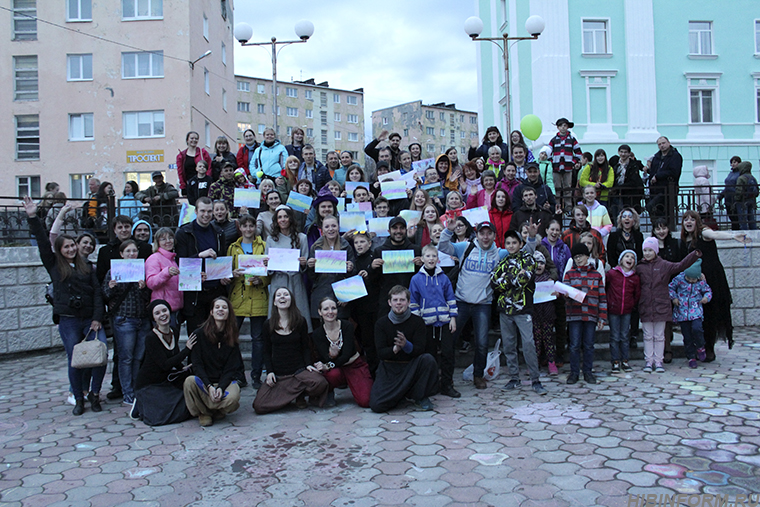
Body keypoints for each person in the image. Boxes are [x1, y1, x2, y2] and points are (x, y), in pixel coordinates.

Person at [24, 196, 106, 416]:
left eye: (72, 245)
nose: (70, 249)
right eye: (66, 246)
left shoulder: (87, 266)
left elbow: (97, 293)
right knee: (74, 360)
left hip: (90, 319)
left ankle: (95, 394)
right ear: (60, 249)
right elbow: (43, 241)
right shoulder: (54, 265)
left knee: (100, 356)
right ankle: (78, 397)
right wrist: (33, 217)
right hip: (69, 319)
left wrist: (98, 318)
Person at [439, 218, 537, 389]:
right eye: (482, 233)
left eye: (489, 233)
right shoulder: (466, 247)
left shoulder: (500, 254)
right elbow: (443, 247)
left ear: (494, 235)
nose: (485, 237)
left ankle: (478, 375)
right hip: (461, 301)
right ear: (476, 235)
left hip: (483, 304)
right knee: (450, 339)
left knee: (482, 342)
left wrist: (531, 238)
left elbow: (524, 253)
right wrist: (448, 231)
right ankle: (446, 377)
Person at [678, 210, 749, 361]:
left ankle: (709, 347)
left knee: (710, 313)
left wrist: (733, 236)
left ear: (698, 222)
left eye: (692, 219)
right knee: (697, 315)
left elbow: (715, 235)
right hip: (695, 282)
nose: (689, 222)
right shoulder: (685, 240)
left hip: (712, 279)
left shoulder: (704, 233)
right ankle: (700, 346)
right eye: (686, 219)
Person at [253, 287, 329, 413]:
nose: (282, 297)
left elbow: (305, 347)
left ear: (291, 300)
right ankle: (294, 396)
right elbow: (266, 351)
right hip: (279, 374)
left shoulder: (300, 321)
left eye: (286, 294)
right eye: (279, 295)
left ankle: (296, 395)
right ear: (274, 302)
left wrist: (308, 364)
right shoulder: (268, 324)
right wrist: (270, 372)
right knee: (259, 405)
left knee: (320, 383)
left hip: (298, 371)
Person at [491, 230, 547, 395]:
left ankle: (535, 379)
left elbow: (524, 279)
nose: (511, 246)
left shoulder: (528, 259)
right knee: (509, 345)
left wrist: (506, 279)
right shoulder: (504, 261)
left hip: (523, 310)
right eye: (508, 243)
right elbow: (494, 282)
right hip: (505, 310)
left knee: (529, 344)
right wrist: (512, 278)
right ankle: (514, 377)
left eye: (514, 243)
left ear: (521, 244)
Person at [637, 236, 701, 373]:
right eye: (645, 250)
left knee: (660, 335)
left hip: (661, 305)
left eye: (650, 250)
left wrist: (693, 256)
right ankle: (649, 361)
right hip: (646, 305)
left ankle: (658, 361)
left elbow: (680, 265)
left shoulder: (664, 265)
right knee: (648, 335)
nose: (647, 253)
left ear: (656, 251)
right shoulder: (640, 267)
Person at [370, 286, 438, 412]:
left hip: (411, 366)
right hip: (390, 369)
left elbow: (421, 349)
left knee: (428, 360)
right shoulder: (381, 324)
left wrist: (406, 345)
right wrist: (395, 349)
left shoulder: (417, 322)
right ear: (389, 302)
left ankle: (419, 396)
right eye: (395, 300)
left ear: (408, 302)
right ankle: (400, 395)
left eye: (402, 300)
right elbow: (380, 353)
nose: (399, 303)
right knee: (377, 405)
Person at [102, 240, 151, 406]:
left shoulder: (141, 271)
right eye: (128, 251)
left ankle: (136, 390)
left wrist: (144, 288)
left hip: (142, 319)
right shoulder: (113, 271)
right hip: (124, 320)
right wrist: (111, 286)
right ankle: (128, 393)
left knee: (138, 357)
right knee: (126, 358)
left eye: (134, 251)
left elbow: (147, 297)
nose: (132, 254)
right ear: (121, 254)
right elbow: (106, 296)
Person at [131, 300, 194, 425]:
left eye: (164, 310)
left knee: (184, 400)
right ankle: (139, 402)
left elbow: (174, 354)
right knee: (158, 418)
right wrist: (187, 350)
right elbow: (164, 364)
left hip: (165, 380)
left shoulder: (174, 331)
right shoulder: (151, 338)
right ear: (153, 318)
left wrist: (183, 368)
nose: (162, 315)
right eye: (157, 313)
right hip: (149, 383)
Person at [183, 297, 243, 426]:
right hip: (204, 383)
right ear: (211, 312)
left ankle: (213, 409)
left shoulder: (232, 336)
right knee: (189, 382)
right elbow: (197, 365)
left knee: (234, 396)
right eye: (217, 307)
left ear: (229, 312)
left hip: (223, 383)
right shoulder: (199, 334)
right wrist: (209, 386)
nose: (220, 310)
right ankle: (205, 412)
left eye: (224, 307)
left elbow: (231, 368)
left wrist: (221, 387)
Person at [409, 245, 459, 398]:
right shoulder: (416, 279)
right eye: (428, 256)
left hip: (444, 322)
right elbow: (413, 302)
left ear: (438, 259)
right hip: (426, 324)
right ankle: (431, 384)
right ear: (422, 259)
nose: (431, 259)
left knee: (448, 354)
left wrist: (453, 318)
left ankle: (447, 384)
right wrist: (418, 323)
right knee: (429, 355)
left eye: (434, 256)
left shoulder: (444, 278)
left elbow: (450, 298)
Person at [174, 197, 230, 334]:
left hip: (216, 291)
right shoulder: (184, 233)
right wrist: (199, 256)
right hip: (195, 294)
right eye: (203, 211)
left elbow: (221, 258)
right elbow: (180, 263)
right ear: (196, 211)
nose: (206, 215)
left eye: (209, 211)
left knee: (217, 335)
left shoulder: (219, 232)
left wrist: (225, 277)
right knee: (196, 336)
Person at [228, 214, 269, 389]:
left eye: (251, 226)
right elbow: (226, 270)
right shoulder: (233, 247)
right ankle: (239, 374)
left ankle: (256, 375)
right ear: (240, 228)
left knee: (258, 339)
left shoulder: (264, 246)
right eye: (244, 226)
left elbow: (270, 270)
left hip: (258, 295)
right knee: (232, 338)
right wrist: (233, 274)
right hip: (239, 296)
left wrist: (263, 280)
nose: (248, 229)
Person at [312, 297, 373, 407]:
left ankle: (356, 383)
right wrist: (330, 357)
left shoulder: (347, 326)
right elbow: (324, 357)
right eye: (326, 309)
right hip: (336, 369)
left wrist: (330, 362)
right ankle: (329, 391)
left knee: (366, 401)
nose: (330, 312)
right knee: (332, 374)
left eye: (333, 308)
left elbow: (347, 354)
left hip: (353, 365)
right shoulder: (317, 334)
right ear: (320, 312)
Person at [563, 243, 606, 385]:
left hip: (591, 314)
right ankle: (574, 372)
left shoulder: (596, 275)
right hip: (574, 314)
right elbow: (565, 293)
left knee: (589, 345)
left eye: (580, 256)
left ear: (587, 256)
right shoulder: (569, 274)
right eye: (575, 257)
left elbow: (602, 297)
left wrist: (602, 317)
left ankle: (588, 371)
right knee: (574, 345)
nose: (578, 259)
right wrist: (564, 293)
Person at [266, 205, 312, 332]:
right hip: (278, 281)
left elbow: (306, 263)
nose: (283, 220)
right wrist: (267, 263)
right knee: (278, 316)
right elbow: (268, 269)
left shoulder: (301, 238)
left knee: (298, 314)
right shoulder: (270, 239)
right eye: (279, 217)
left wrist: (304, 263)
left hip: (295, 281)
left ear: (291, 218)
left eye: (285, 216)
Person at [307, 215, 356, 325]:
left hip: (340, 296)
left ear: (338, 227)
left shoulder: (346, 245)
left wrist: (351, 269)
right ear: (322, 229)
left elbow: (353, 275)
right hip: (321, 293)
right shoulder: (316, 247)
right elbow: (311, 277)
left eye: (334, 226)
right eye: (327, 226)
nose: (331, 229)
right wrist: (310, 267)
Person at [373, 217, 423, 315]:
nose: (398, 231)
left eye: (401, 228)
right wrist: (372, 268)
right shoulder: (379, 251)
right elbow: (374, 280)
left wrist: (421, 266)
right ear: (389, 231)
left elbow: (421, 277)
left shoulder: (416, 250)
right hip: (386, 300)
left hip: (411, 298)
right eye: (395, 228)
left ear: (406, 230)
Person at [349, 231, 382, 373]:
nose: (359, 245)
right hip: (361, 308)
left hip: (376, 305)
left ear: (369, 243)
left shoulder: (375, 258)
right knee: (367, 342)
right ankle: (373, 372)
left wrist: (370, 272)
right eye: (356, 242)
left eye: (362, 242)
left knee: (379, 340)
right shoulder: (354, 262)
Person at [669, 260, 712, 369]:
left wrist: (706, 298)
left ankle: (700, 346)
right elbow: (670, 288)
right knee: (687, 336)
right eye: (689, 279)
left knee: (697, 329)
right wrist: (674, 298)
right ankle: (691, 357)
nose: (691, 281)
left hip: (695, 310)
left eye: (694, 279)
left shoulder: (700, 282)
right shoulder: (679, 279)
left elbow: (708, 291)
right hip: (682, 312)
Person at [606, 250, 641, 374]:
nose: (629, 259)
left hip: (627, 310)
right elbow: (606, 287)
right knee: (615, 336)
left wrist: (631, 304)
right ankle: (615, 361)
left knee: (625, 336)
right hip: (614, 310)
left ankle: (625, 360)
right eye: (627, 256)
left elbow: (636, 294)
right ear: (621, 260)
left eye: (632, 257)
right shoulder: (612, 273)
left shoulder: (635, 277)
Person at [145, 228, 182, 334]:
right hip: (162, 310)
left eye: (170, 237)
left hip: (175, 309)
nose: (168, 241)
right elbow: (151, 282)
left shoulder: (173, 259)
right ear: (157, 242)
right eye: (163, 239)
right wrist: (166, 273)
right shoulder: (154, 258)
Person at [531, 251, 557, 376]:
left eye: (541, 263)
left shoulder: (549, 278)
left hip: (548, 314)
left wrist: (556, 293)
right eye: (536, 263)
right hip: (534, 315)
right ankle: (534, 363)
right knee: (536, 339)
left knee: (548, 339)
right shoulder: (529, 278)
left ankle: (551, 362)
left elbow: (558, 292)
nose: (539, 265)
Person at [647, 136, 683, 228]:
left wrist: (658, 176)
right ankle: (658, 228)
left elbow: (674, 172)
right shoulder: (657, 157)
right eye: (659, 144)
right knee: (656, 209)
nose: (662, 146)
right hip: (655, 189)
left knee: (661, 209)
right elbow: (653, 171)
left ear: (669, 143)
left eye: (663, 143)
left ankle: (666, 228)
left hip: (667, 189)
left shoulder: (675, 156)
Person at [548, 118, 582, 212]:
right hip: (556, 168)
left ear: (567, 127)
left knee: (568, 188)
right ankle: (557, 206)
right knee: (557, 188)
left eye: (565, 126)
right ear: (558, 127)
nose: (563, 128)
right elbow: (548, 152)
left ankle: (568, 207)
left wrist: (573, 162)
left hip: (568, 168)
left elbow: (579, 153)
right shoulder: (554, 140)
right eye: (561, 126)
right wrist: (551, 162)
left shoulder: (572, 140)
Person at [607, 144, 645, 219]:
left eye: (625, 152)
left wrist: (618, 188)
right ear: (618, 152)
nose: (623, 154)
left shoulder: (633, 165)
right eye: (621, 152)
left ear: (629, 153)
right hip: (616, 194)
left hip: (629, 195)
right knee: (616, 215)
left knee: (629, 215)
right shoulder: (615, 163)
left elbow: (633, 182)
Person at [177, 131, 212, 195]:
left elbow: (209, 167)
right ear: (187, 140)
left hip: (203, 184)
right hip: (189, 185)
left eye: (196, 138)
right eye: (192, 138)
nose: (194, 140)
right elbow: (180, 172)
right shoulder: (181, 155)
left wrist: (207, 180)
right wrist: (183, 186)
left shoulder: (203, 153)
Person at [717, 156, 742, 231]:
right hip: (728, 198)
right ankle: (734, 231)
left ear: (739, 163)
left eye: (735, 162)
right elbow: (727, 186)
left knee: (736, 217)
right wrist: (720, 195)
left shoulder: (740, 174)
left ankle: (737, 231)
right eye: (731, 162)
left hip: (735, 198)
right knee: (731, 216)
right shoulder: (731, 173)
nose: (733, 164)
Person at [734, 161, 758, 231]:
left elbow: (739, 190)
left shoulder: (741, 178)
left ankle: (744, 233)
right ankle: (754, 232)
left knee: (743, 218)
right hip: (751, 199)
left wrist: (737, 199)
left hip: (743, 200)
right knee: (751, 217)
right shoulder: (752, 177)